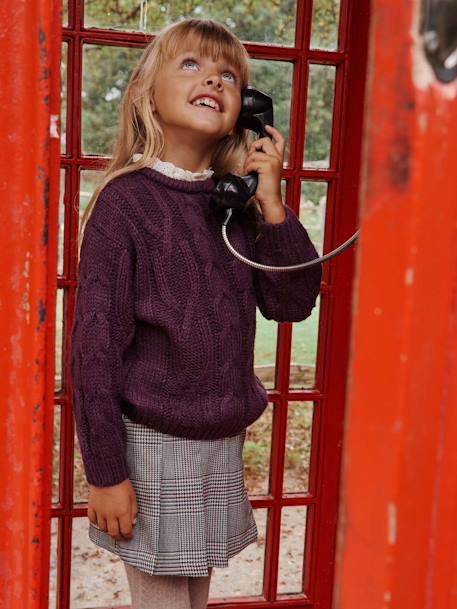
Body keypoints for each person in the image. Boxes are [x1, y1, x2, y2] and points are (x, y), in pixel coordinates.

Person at [70, 17, 322, 609]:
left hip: (220, 441)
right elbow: (95, 347)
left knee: (195, 600)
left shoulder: (233, 207)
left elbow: (292, 301)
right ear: (146, 95)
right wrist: (104, 471)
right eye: (191, 65)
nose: (213, 77)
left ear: (246, 109)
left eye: (229, 75)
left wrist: (271, 202)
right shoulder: (125, 203)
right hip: (152, 445)